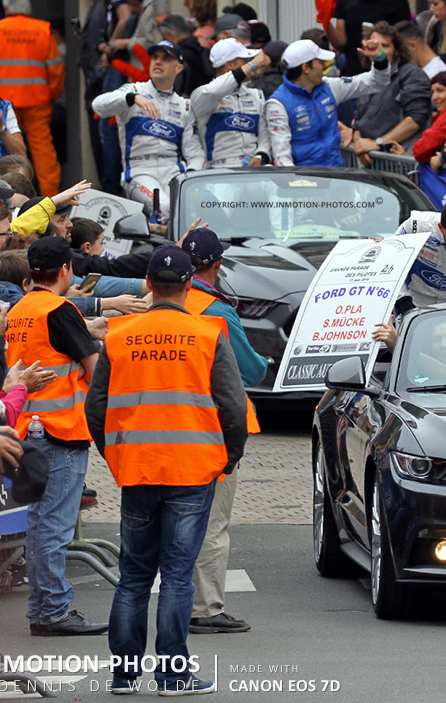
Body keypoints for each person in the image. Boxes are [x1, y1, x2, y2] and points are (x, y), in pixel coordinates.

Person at [86, 244, 247, 696]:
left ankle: (123, 675)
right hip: (193, 471)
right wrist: (227, 457)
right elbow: (233, 407)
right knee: (177, 576)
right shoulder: (208, 334)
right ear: (189, 284)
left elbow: (95, 409)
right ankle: (174, 675)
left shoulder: (119, 336)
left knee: (134, 575)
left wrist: (115, 453)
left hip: (137, 469)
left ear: (150, 285)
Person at [4, 237, 106, 636]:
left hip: (25, 429)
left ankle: (44, 609)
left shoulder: (20, 310)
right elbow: (95, 370)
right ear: (66, 271)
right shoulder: (60, 311)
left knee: (39, 523)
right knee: (54, 527)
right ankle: (54, 612)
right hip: (60, 433)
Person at [180, 229, 264, 636]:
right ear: (217, 265)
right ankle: (205, 607)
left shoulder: (157, 304)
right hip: (212, 432)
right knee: (211, 522)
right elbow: (249, 370)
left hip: (159, 432)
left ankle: (175, 601)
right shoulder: (217, 311)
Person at [92, 41, 205, 222]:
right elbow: (98, 106)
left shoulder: (185, 106)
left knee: (197, 204)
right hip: (139, 172)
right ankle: (162, 249)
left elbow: (195, 152)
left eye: (166, 59)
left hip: (174, 172)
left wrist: (190, 176)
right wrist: (132, 99)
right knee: (165, 207)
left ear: (178, 68)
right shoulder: (134, 90)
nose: (158, 62)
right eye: (155, 57)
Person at [0, 0, 63, 196]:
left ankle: (10, 196)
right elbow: (56, 70)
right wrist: (54, 93)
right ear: (28, 8)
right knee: (43, 154)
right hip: (37, 102)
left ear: (6, 8)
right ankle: (49, 199)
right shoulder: (43, 30)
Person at [264, 38, 390, 167]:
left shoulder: (329, 86)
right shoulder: (278, 103)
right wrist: (298, 184)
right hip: (304, 180)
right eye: (320, 62)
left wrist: (380, 58)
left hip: (335, 176)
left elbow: (376, 82)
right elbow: (282, 158)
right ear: (306, 67)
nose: (324, 66)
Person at [352, 21, 432, 159]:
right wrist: (360, 145)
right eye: (374, 45)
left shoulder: (412, 74)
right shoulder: (366, 78)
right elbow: (358, 121)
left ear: (397, 49)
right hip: (371, 162)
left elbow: (415, 119)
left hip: (398, 162)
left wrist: (378, 144)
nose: (379, 50)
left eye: (384, 45)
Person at [190, 39, 272, 168]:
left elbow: (265, 134)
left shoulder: (256, 95)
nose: (249, 64)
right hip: (219, 170)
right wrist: (252, 65)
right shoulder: (203, 94)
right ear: (230, 65)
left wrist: (259, 157)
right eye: (244, 61)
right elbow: (214, 90)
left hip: (253, 169)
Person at [328, 0, 411, 76]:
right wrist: (325, 22)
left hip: (387, 76)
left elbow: (407, 43)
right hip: (354, 76)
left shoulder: (397, 0)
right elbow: (340, 42)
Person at [76, 0, 110, 173]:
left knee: (101, 138)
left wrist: (93, 86)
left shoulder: (100, 6)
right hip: (99, 83)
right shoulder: (101, 4)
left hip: (97, 85)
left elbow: (97, 47)